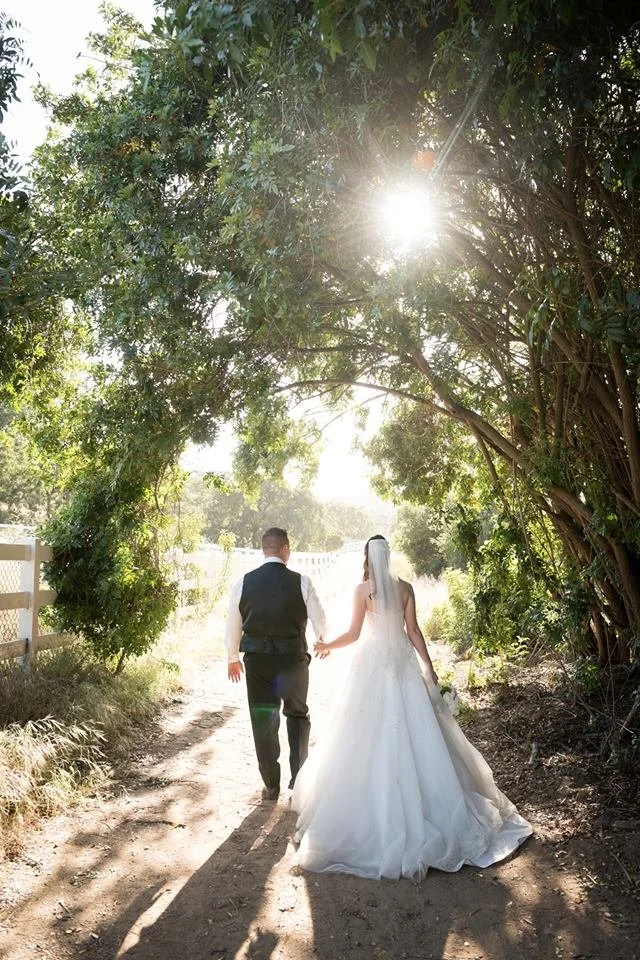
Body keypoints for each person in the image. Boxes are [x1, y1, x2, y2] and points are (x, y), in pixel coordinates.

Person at [291, 535, 532, 879]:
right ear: (388, 556)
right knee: (421, 734)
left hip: (372, 667)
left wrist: (328, 644)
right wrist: (429, 666)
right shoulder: (405, 587)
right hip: (402, 667)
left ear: (366, 557)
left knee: (361, 734)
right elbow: (414, 631)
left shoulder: (363, 591)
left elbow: (355, 634)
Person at [225, 527, 328, 801]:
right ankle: (298, 784)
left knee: (263, 718)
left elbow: (233, 623)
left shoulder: (244, 582)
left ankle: (271, 785)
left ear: (264, 550)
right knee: (297, 716)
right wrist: (322, 639)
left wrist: (232, 658)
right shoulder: (302, 581)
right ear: (286, 548)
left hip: (258, 663)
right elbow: (320, 617)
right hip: (292, 661)